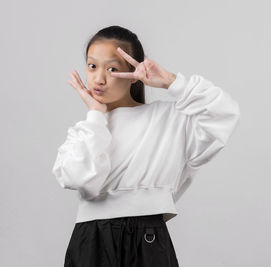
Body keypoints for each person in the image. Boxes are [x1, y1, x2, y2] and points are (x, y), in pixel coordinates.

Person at [52, 25, 241, 267]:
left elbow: (224, 113)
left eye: (112, 68)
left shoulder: (169, 118)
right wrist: (96, 116)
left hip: (147, 239)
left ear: (133, 72)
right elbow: (81, 180)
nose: (99, 79)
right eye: (92, 66)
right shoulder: (85, 131)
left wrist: (172, 83)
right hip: (91, 242)